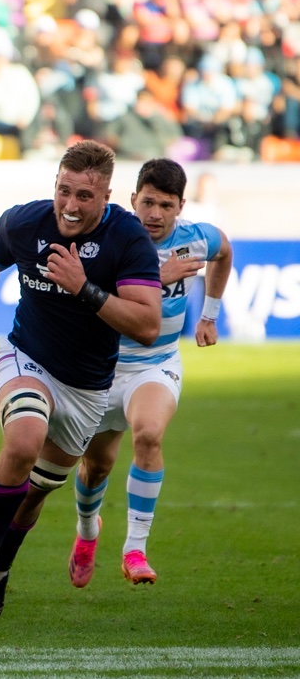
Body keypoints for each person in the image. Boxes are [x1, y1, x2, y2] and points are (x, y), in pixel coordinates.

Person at [0, 140, 162, 618]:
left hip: (87, 386)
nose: (70, 205)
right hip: (27, 358)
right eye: (64, 190)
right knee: (24, 440)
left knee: (34, 494)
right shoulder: (24, 222)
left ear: (107, 195)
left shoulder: (127, 239)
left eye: (85, 196)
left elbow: (147, 326)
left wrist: (84, 287)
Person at [68, 158, 233, 587]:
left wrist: (209, 314)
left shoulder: (196, 239)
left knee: (148, 434)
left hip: (156, 363)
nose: (154, 214)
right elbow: (87, 294)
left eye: (165, 204)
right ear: (132, 200)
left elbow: (224, 250)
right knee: (96, 466)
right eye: (147, 202)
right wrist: (157, 278)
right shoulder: (108, 237)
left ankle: (135, 549)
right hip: (100, 367)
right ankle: (88, 531)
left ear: (180, 206)